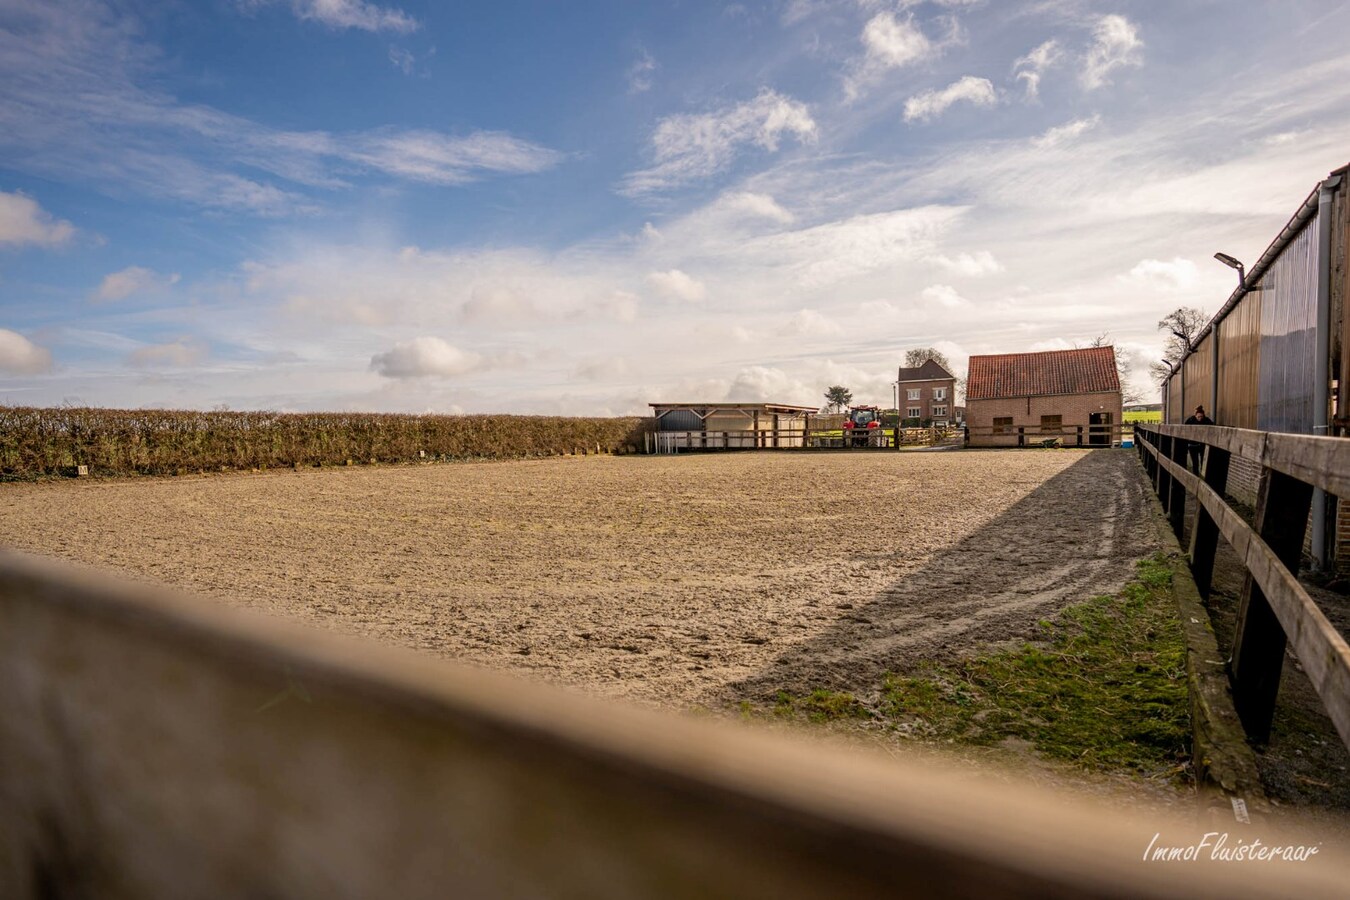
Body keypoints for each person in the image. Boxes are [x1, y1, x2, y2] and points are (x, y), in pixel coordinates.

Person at [1183, 405, 1213, 472]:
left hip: (1202, 445)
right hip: (1192, 445)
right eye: (1198, 417)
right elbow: (1184, 428)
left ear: (1203, 415)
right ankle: (1195, 475)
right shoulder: (1191, 420)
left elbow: (1212, 427)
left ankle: (1202, 475)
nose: (1200, 418)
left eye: (1201, 416)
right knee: (1195, 463)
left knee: (1203, 462)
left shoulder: (1206, 420)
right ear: (1195, 415)